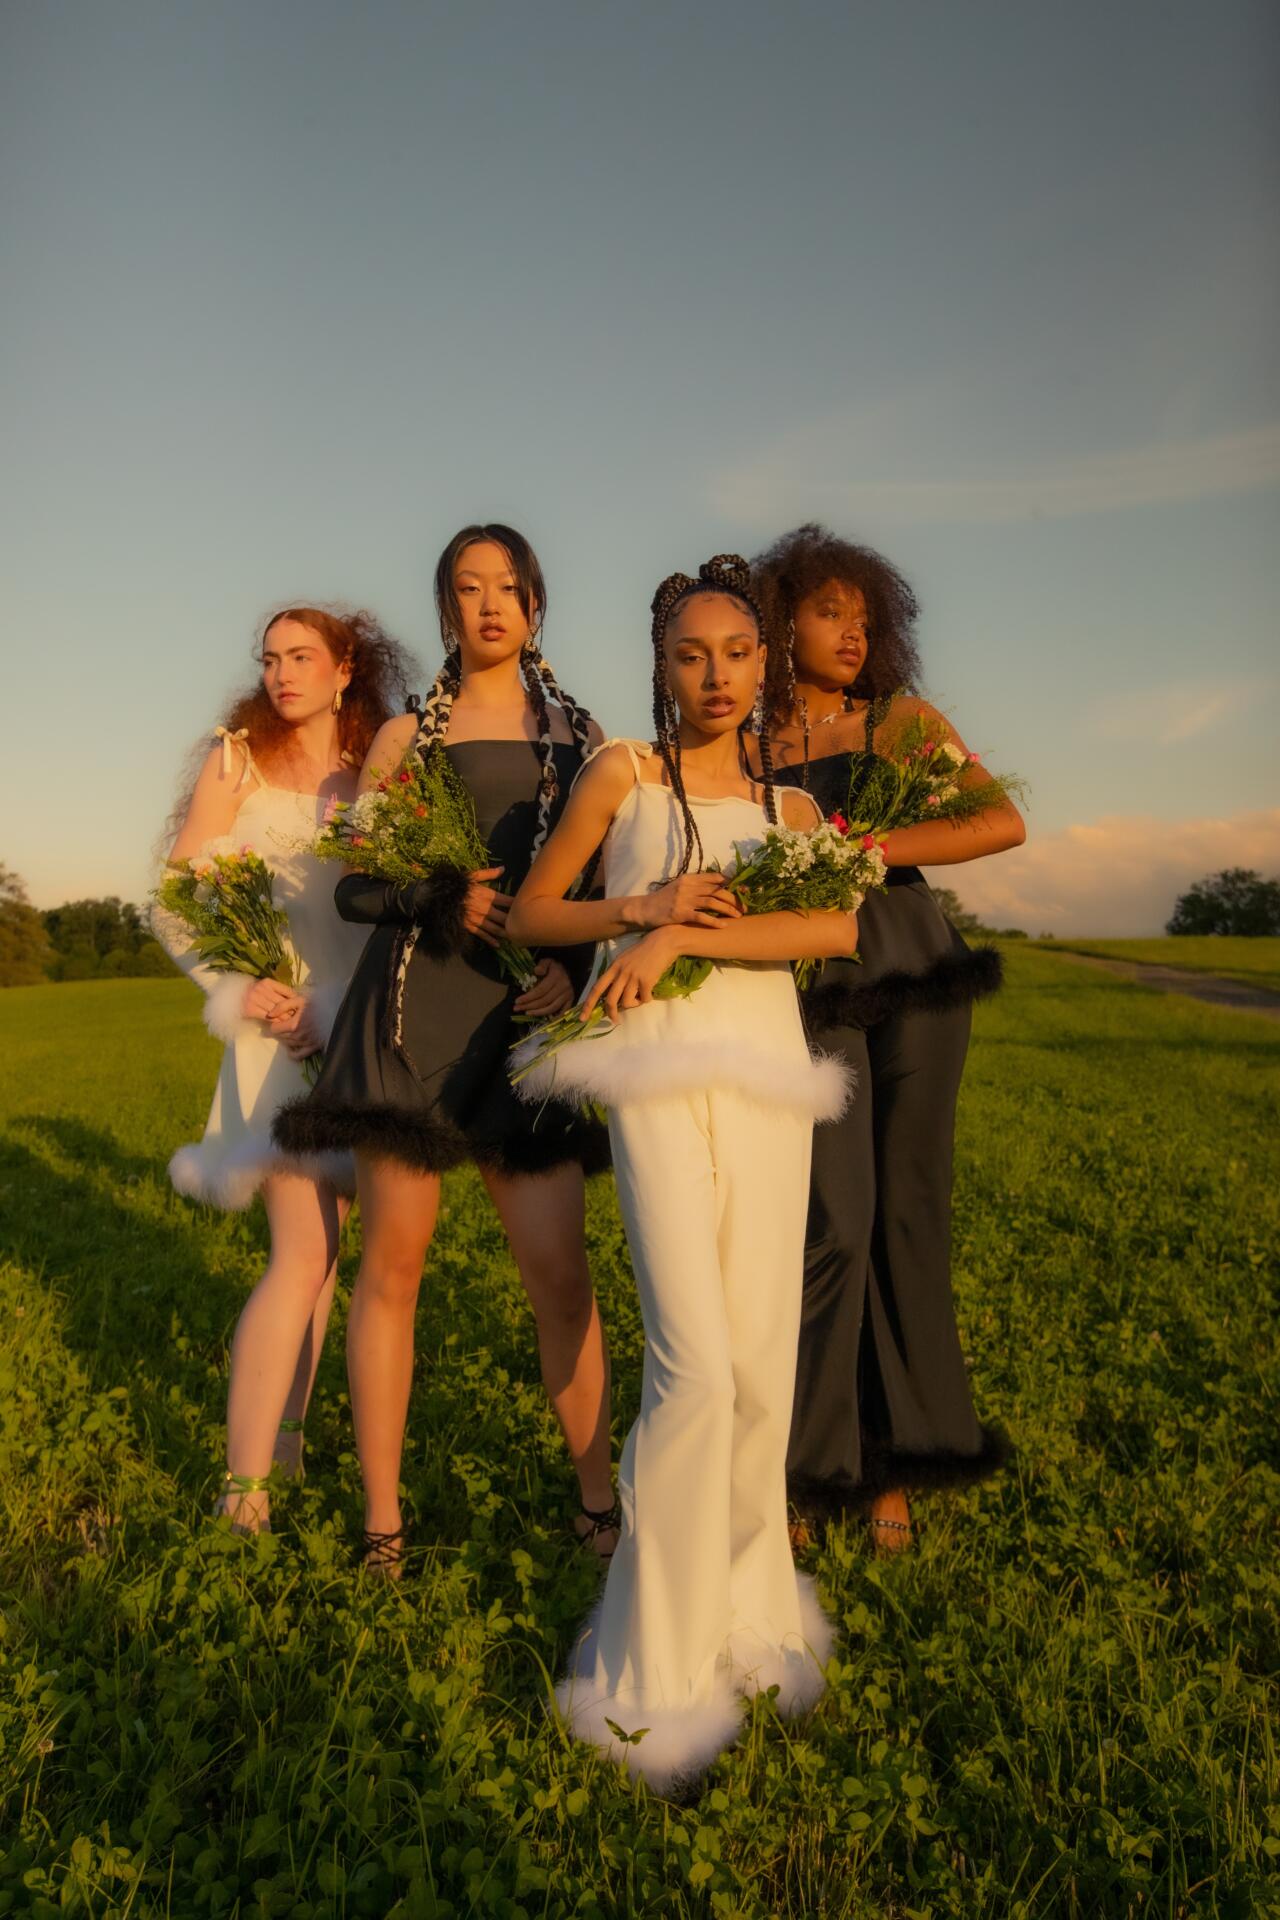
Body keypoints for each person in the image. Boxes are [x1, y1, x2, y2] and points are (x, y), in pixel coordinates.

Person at [506, 554, 857, 1792]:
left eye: (737, 654)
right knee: (693, 1364)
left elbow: (831, 927)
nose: (716, 676)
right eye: (690, 656)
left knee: (760, 1365)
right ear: (660, 667)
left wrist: (681, 937)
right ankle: (650, 1667)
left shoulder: (795, 814)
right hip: (654, 1076)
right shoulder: (623, 773)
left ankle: (749, 1624)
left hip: (766, 1079)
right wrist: (637, 913)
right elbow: (531, 914)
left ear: (765, 665)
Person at [272, 525, 614, 1573]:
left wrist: (576, 971)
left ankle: (598, 1508)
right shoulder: (401, 740)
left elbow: (601, 888)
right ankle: (382, 1524)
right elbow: (353, 888)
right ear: (447, 608)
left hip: (525, 1027)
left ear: (536, 603)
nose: (489, 604)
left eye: (507, 586)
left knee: (561, 1278)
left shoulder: (585, 736)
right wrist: (436, 894)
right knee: (393, 1270)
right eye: (468, 588)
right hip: (410, 1018)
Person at [751, 523, 1025, 1551]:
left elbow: (997, 821)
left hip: (914, 972)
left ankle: (894, 1468)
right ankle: (806, 1468)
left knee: (908, 1213)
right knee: (833, 1220)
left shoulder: (899, 722)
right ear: (779, 624)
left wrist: (862, 845)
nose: (852, 633)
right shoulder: (749, 746)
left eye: (863, 618)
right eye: (828, 612)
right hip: (807, 988)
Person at [156, 605, 416, 1529]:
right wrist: (244, 986)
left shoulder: (382, 769)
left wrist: (346, 1015)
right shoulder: (236, 762)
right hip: (273, 1032)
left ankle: (288, 1444)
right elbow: (178, 896)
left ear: (346, 669)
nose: (281, 673)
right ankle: (244, 1487)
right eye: (270, 658)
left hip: (359, 1035)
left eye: (302, 656)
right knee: (301, 1254)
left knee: (326, 1256)